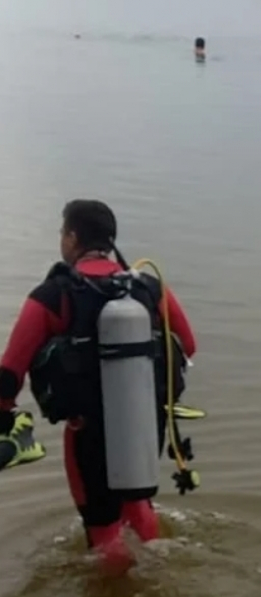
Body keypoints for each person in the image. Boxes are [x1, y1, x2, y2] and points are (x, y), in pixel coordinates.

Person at [0, 200, 197, 570]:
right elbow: (188, 345)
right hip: (144, 423)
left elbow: (8, 373)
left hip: (87, 431)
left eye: (63, 233)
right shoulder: (148, 288)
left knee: (103, 529)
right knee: (138, 505)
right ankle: (159, 573)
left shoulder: (52, 295)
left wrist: (5, 417)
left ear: (73, 238)